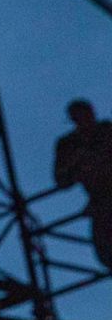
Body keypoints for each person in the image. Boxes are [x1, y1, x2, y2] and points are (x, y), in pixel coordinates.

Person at [54, 98, 112, 269]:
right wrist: (77, 164)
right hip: (100, 201)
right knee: (106, 250)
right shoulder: (69, 144)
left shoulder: (107, 131)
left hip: (102, 201)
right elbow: (62, 180)